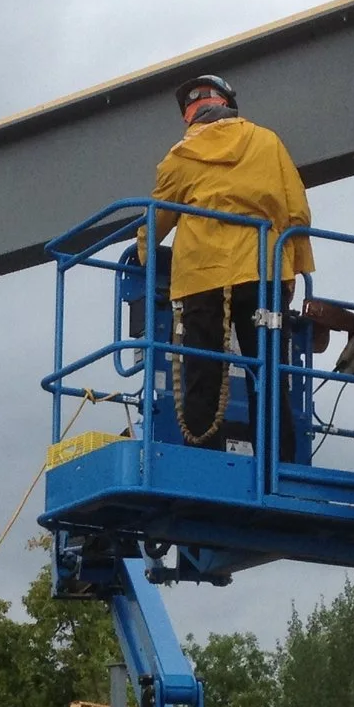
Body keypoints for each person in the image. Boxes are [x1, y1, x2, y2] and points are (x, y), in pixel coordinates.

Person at [151, 73, 314, 452]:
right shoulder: (267, 142)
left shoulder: (180, 157)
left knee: (202, 371)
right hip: (263, 270)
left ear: (188, 116)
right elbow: (297, 211)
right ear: (228, 103)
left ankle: (202, 462)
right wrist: (294, 270)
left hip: (201, 278)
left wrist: (141, 256)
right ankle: (278, 466)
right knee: (270, 373)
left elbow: (156, 219)